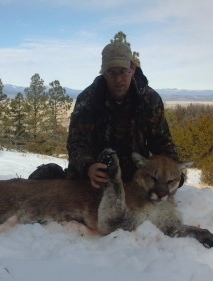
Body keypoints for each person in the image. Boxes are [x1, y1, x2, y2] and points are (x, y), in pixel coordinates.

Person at [29, 42, 182, 188]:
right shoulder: (88, 99)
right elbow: (77, 143)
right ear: (104, 74)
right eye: (111, 73)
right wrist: (88, 167)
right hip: (95, 177)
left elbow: (162, 142)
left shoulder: (150, 99)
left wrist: (174, 171)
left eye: (123, 71)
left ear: (132, 69)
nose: (118, 79)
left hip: (135, 179)